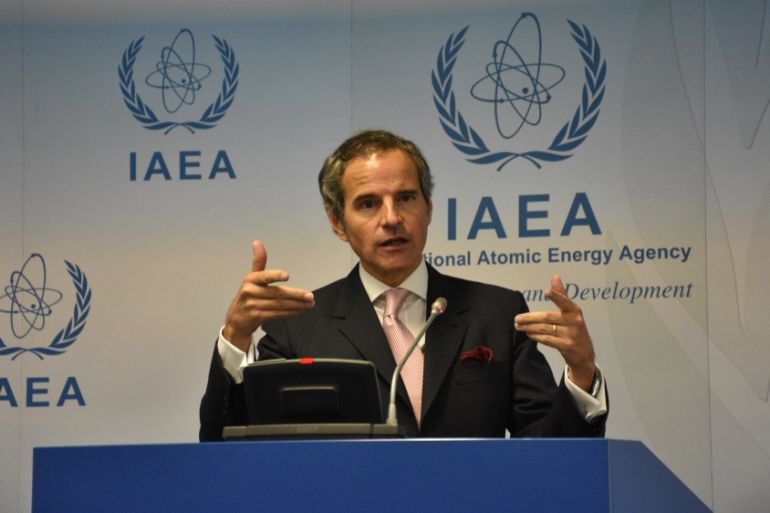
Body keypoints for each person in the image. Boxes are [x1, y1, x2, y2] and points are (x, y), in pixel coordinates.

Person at [199, 130, 607, 441]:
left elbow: (548, 453)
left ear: (429, 208)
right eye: (368, 203)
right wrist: (236, 337)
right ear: (338, 222)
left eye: (407, 198)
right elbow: (231, 447)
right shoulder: (297, 326)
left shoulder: (497, 312)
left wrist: (581, 373)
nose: (392, 218)